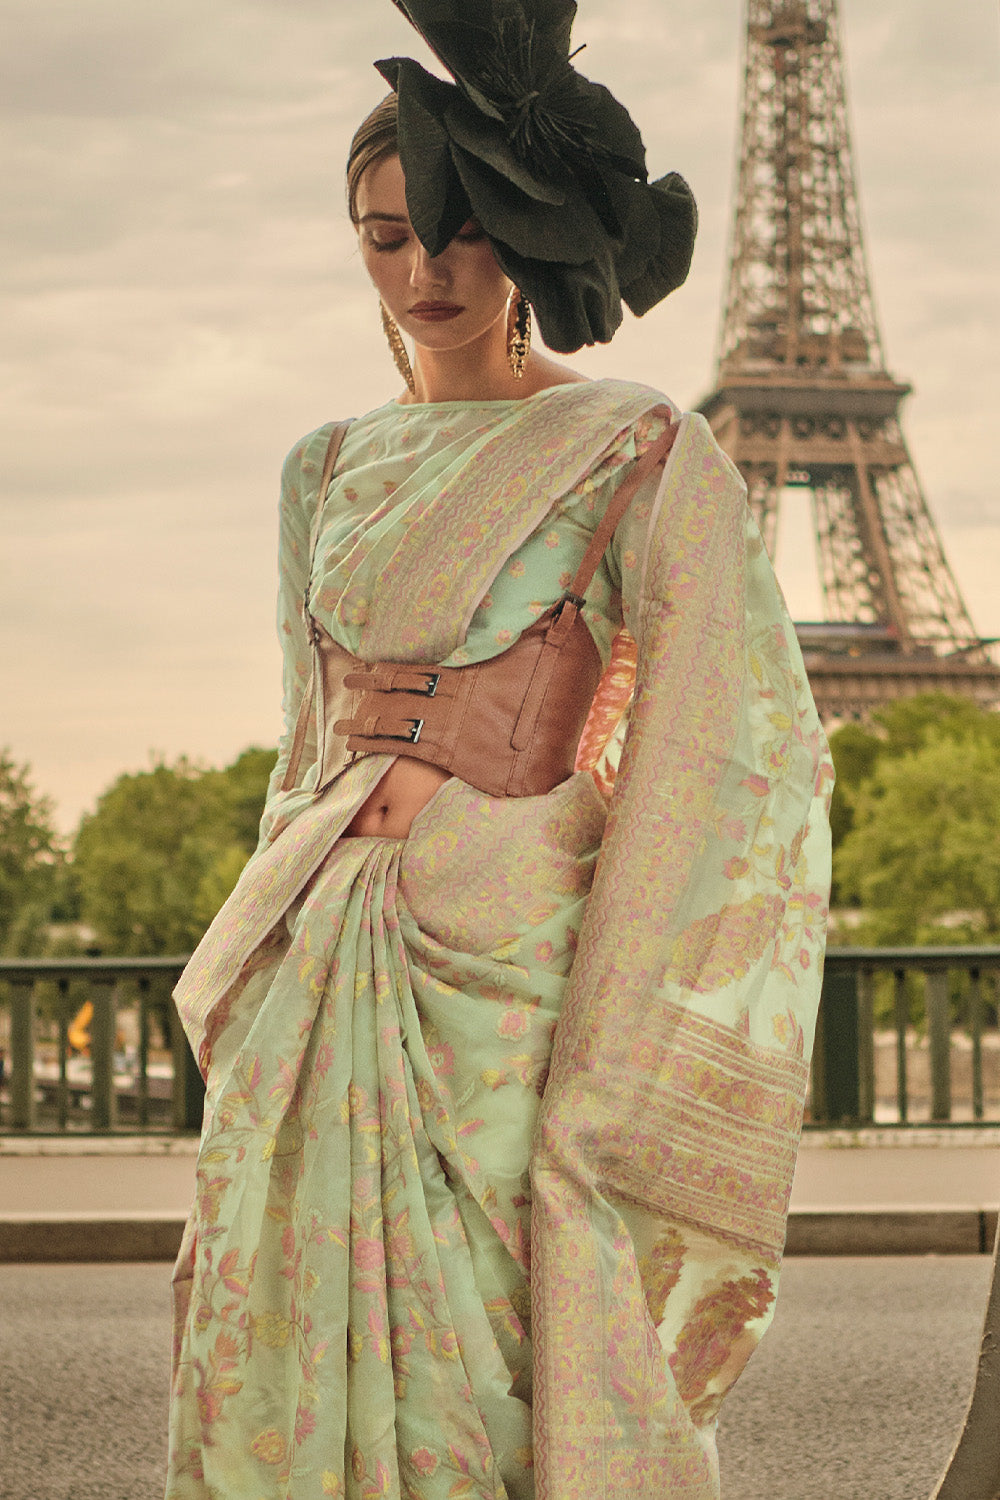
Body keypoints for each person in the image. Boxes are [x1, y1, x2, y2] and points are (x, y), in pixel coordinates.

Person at [165, 6, 832, 1497]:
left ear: (517, 234)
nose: (425, 275)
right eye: (386, 239)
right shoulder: (322, 467)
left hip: (505, 975)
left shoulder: (635, 444)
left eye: (458, 235)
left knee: (495, 1373)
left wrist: (582, 927)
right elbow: (301, 737)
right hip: (323, 960)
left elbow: (733, 738)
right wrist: (267, 965)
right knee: (278, 1344)